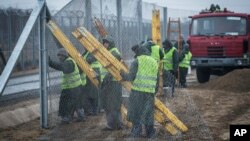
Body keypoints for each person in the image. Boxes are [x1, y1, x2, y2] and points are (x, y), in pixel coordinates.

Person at [121, 44, 158, 138]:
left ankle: (136, 133)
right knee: (148, 113)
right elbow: (157, 81)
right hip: (150, 92)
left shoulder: (137, 61)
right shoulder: (154, 61)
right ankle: (150, 134)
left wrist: (122, 74)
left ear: (138, 53)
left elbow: (130, 77)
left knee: (136, 112)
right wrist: (154, 91)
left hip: (138, 92)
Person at [49, 48, 85, 123]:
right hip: (73, 87)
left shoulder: (69, 62)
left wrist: (51, 63)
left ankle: (67, 118)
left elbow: (61, 67)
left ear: (65, 55)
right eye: (58, 56)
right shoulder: (67, 62)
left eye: (61, 55)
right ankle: (80, 116)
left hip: (73, 87)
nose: (59, 57)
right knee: (75, 103)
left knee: (67, 103)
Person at [101, 36, 123, 130]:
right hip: (111, 82)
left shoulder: (113, 52)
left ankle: (112, 125)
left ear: (110, 43)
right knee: (114, 105)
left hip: (111, 83)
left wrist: (107, 77)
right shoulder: (111, 51)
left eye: (106, 42)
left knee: (111, 105)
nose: (104, 44)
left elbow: (113, 67)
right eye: (104, 43)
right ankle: (118, 124)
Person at [82, 51, 101, 116]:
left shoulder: (92, 51)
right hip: (89, 73)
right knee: (89, 93)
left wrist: (83, 61)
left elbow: (90, 59)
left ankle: (95, 111)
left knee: (94, 93)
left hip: (94, 73)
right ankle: (91, 111)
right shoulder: (86, 53)